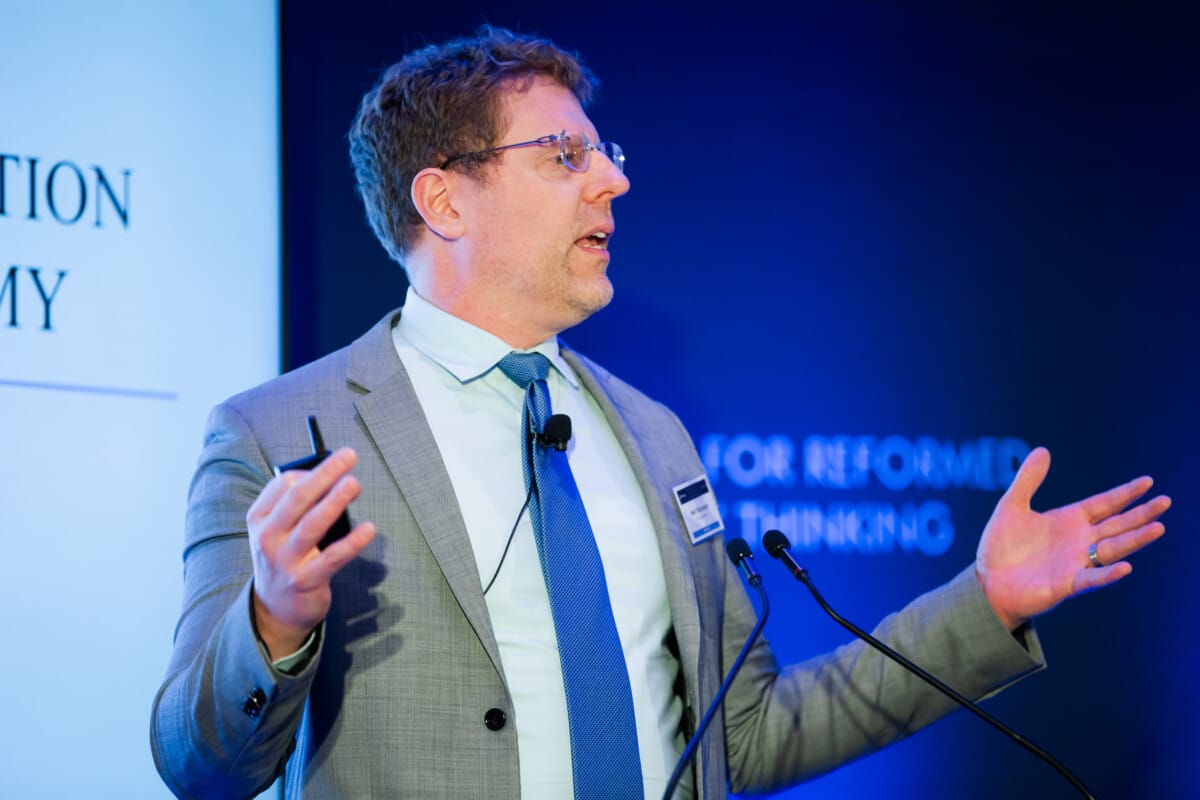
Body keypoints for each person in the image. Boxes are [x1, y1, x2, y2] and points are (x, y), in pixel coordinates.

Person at [150, 25, 1169, 800]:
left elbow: (747, 736)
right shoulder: (279, 432)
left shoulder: (652, 434)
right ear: (445, 202)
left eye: (604, 153)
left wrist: (984, 603)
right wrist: (273, 620)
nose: (615, 180)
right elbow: (199, 765)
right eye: (565, 156)